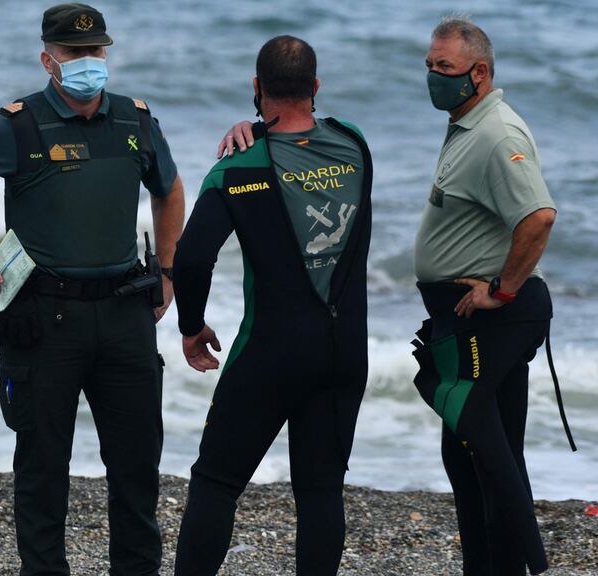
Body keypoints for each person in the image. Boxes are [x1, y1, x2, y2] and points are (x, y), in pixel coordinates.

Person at [0, 4, 185, 575]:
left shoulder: (135, 121)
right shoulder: (18, 124)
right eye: (74, 54)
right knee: (42, 473)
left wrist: (166, 271)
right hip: (45, 319)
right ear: (49, 59)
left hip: (124, 316)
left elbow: (170, 190)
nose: (88, 63)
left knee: (137, 472)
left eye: (96, 52)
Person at [172, 36, 373, 575]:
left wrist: (191, 326)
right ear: (316, 87)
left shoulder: (237, 168)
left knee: (216, 482)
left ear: (255, 88)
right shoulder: (355, 146)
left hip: (272, 353)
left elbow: (192, 259)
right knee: (320, 489)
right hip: (345, 351)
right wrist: (262, 126)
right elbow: (308, 139)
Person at [409, 16, 565, 576]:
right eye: (429, 65)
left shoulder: (498, 133)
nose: (433, 76)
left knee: (477, 436)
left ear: (479, 73)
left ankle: (532, 562)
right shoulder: (467, 124)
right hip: (463, 317)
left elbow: (539, 217)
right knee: (468, 451)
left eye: (444, 68)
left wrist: (503, 290)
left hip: (488, 319)